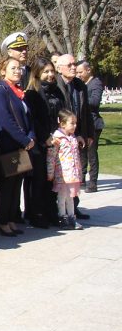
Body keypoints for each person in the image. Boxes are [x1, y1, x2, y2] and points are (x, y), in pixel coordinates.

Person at [0, 57, 35, 237]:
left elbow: (28, 118)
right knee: (8, 185)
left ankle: (10, 219)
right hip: (10, 144)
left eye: (20, 68)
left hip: (23, 145)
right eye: (13, 68)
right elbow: (6, 120)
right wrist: (24, 140)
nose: (18, 71)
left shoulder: (18, 91)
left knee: (17, 183)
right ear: (3, 71)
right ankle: (1, 222)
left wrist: (31, 136)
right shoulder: (1, 91)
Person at [54, 54, 93, 219]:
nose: (73, 67)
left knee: (76, 173)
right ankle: (59, 212)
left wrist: (88, 134)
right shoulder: (56, 84)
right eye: (69, 64)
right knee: (62, 177)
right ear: (60, 68)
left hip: (77, 135)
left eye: (74, 64)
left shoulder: (80, 85)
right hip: (61, 137)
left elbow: (86, 111)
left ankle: (73, 208)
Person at [23, 58, 58, 229]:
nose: (50, 75)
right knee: (38, 180)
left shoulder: (56, 91)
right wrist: (45, 136)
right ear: (37, 73)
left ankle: (51, 211)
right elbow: (32, 119)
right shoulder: (32, 93)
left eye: (52, 71)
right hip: (39, 142)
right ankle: (36, 213)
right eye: (46, 72)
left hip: (55, 140)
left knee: (51, 179)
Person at [47, 109, 84, 230]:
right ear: (62, 124)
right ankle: (63, 218)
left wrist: (79, 171)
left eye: (75, 123)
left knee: (71, 197)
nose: (75, 126)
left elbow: (76, 156)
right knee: (62, 197)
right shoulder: (57, 138)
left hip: (72, 174)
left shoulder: (72, 137)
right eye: (72, 123)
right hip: (62, 174)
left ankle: (72, 218)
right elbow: (51, 156)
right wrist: (50, 172)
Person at [76, 60, 104, 192]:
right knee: (82, 152)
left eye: (80, 72)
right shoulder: (80, 84)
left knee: (91, 153)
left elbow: (95, 102)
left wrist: (81, 100)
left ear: (88, 70)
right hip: (83, 123)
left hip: (94, 123)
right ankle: (81, 178)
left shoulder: (96, 83)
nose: (78, 74)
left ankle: (93, 183)